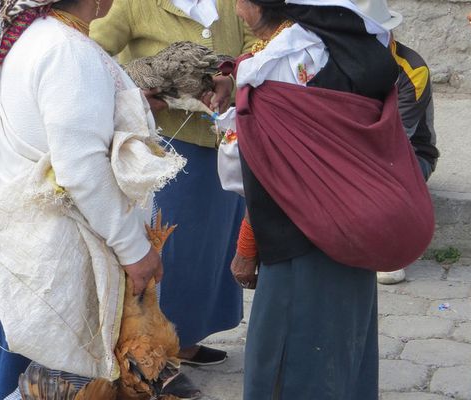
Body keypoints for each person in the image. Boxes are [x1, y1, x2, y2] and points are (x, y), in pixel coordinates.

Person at [219, 0, 435, 398]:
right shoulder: (358, 54)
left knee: (291, 362)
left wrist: (248, 244)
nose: (235, 8)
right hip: (353, 233)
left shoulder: (275, 65)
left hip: (297, 240)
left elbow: (249, 170)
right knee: (342, 354)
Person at [0, 0, 168, 398]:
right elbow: (82, 169)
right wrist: (134, 249)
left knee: (22, 378)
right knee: (57, 385)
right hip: (60, 263)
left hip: (26, 252)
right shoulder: (67, 50)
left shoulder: (26, 34)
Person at [91, 1, 256, 365]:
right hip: (167, 149)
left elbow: (253, 48)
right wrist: (134, 92)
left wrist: (233, 78)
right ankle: (151, 354)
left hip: (223, 142)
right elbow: (90, 50)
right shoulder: (134, 4)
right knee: (170, 250)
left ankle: (186, 340)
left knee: (209, 250)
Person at [377, 26, 441, 284]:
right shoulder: (340, 58)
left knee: (387, 171)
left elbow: (393, 141)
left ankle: (387, 250)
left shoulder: (413, 69)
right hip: (358, 150)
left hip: (409, 154)